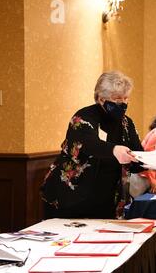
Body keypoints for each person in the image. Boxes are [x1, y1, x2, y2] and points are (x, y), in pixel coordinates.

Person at [41, 71, 142, 219]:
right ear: (101, 99)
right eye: (117, 99)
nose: (124, 103)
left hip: (107, 198)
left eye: (126, 98)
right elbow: (89, 144)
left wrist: (152, 162)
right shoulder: (84, 117)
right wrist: (114, 150)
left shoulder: (127, 123)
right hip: (72, 196)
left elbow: (137, 153)